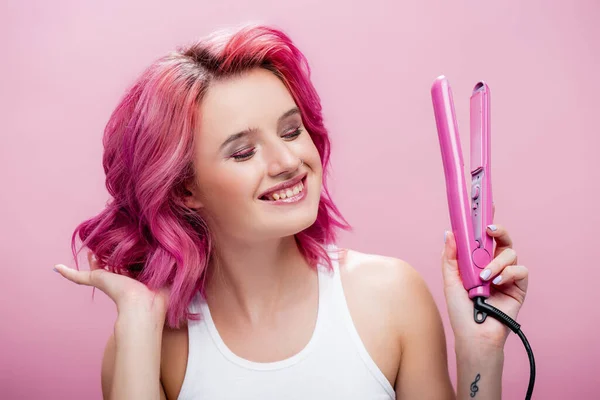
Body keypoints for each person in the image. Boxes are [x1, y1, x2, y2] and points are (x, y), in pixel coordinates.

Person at [53, 23, 529, 400]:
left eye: (290, 130)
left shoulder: (390, 296)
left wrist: (479, 353)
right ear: (183, 190)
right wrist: (138, 318)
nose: (287, 163)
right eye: (243, 152)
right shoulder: (148, 342)